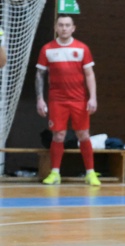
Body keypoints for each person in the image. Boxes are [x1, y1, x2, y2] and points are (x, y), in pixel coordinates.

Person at [35, 14, 100, 186]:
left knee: (83, 134)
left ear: (73, 28)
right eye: (61, 25)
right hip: (57, 100)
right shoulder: (47, 49)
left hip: (79, 100)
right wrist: (40, 99)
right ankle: (55, 173)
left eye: (67, 25)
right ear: (56, 28)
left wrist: (93, 97)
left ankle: (90, 173)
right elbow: (40, 75)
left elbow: (89, 74)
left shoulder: (82, 48)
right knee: (58, 135)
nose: (64, 28)